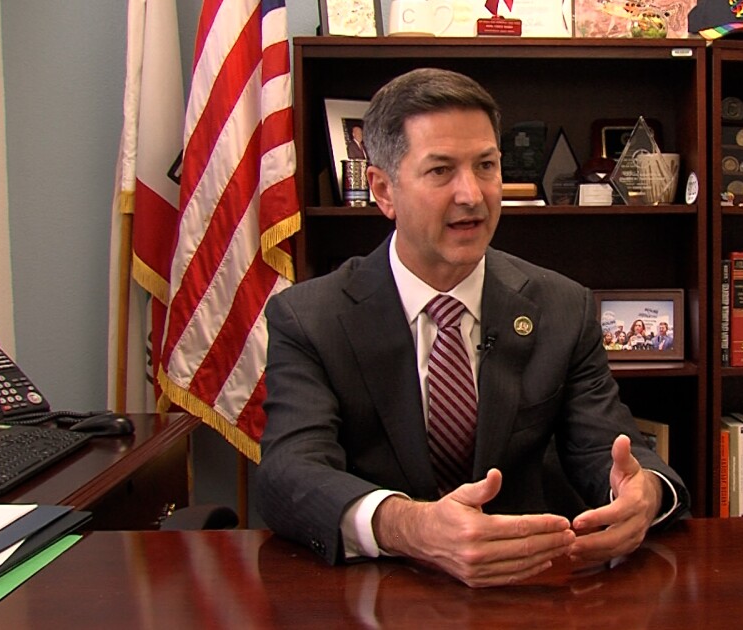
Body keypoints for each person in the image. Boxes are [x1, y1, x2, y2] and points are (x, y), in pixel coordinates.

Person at [257, 68, 689, 588]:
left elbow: (608, 447)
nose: (472, 195)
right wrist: (408, 526)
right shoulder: (310, 318)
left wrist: (645, 493)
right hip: (377, 589)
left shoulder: (562, 306)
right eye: (441, 170)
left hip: (529, 586)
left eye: (485, 166)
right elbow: (288, 473)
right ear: (383, 190)